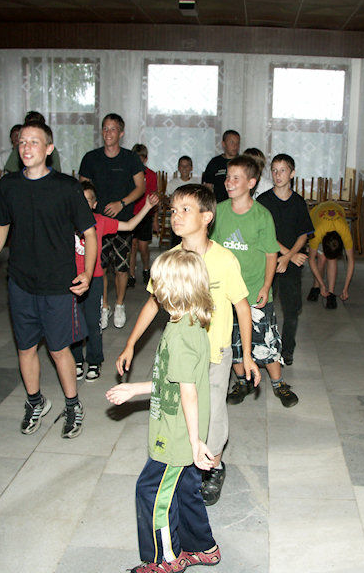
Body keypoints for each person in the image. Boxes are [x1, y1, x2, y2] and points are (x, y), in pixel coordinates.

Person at [117, 183, 258, 507]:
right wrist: (130, 343)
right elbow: (153, 303)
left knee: (213, 413)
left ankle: (214, 465)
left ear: (207, 217)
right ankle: (186, 454)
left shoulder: (224, 259)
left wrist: (247, 355)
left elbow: (242, 307)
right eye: (173, 210)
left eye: (185, 210)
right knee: (179, 408)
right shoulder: (169, 260)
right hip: (181, 351)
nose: (175, 216)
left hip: (215, 352)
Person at [0, 121, 96, 439]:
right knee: (26, 348)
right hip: (20, 282)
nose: (26, 147)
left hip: (58, 284)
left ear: (48, 149)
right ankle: (35, 402)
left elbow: (89, 232)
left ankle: (72, 405)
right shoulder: (9, 185)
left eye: (34, 142)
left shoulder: (66, 187)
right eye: (22, 142)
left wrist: (87, 273)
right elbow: (1, 225)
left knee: (59, 350)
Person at [107, 250, 221, 573]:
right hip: (181, 428)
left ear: (171, 290)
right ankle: (203, 547)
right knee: (184, 489)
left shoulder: (181, 335)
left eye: (157, 282)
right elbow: (175, 381)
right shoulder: (188, 324)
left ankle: (165, 560)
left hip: (177, 435)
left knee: (152, 492)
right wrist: (135, 389)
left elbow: (188, 392)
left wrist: (194, 441)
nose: (153, 287)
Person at [211, 155, 299, 409]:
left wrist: (266, 286)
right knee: (232, 341)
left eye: (235, 178)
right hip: (226, 293)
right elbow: (211, 248)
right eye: (228, 177)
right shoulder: (219, 211)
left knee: (265, 342)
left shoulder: (262, 216)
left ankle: (279, 383)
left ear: (251, 183)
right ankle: (242, 382)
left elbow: (271, 254)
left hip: (253, 291)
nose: (229, 182)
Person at [71, 181, 158, 383]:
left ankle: (94, 360)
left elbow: (129, 225)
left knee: (93, 322)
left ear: (94, 204)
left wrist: (147, 206)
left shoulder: (100, 221)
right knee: (74, 322)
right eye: (80, 199)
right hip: (72, 280)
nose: (83, 203)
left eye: (88, 200)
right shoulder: (67, 221)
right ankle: (76, 360)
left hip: (94, 279)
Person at [78, 114, 145, 329]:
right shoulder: (90, 158)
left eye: (113, 129)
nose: (108, 133)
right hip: (96, 223)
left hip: (122, 221)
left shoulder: (130, 158)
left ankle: (120, 304)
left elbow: (141, 187)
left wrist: (121, 203)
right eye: (105, 128)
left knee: (122, 267)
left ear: (121, 133)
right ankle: (104, 305)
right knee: (100, 266)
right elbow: (83, 190)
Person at [256, 153, 314, 366]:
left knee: (292, 309)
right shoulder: (263, 201)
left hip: (291, 262)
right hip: (267, 260)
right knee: (262, 305)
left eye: (282, 170)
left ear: (292, 173)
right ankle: (261, 347)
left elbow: (304, 234)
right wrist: (287, 255)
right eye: (274, 170)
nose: (278, 175)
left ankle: (287, 349)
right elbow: (264, 235)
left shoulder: (298, 202)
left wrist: (288, 257)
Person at [306, 201, 356, 309]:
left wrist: (345, 288)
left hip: (337, 212)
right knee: (321, 258)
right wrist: (322, 284)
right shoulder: (316, 233)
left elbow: (351, 261)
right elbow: (311, 260)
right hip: (315, 216)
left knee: (331, 259)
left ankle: (331, 293)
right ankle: (316, 287)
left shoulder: (345, 232)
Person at [127, 144, 158, 288]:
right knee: (132, 245)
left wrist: (155, 219)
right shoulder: (128, 174)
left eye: (141, 159)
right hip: (132, 214)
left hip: (146, 214)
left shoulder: (151, 175)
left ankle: (146, 268)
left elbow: (154, 197)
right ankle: (131, 274)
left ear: (145, 159)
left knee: (143, 246)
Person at [202, 130, 240, 203]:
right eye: (232, 142)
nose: (235, 146)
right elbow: (208, 187)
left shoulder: (243, 163)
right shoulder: (215, 162)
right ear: (223, 144)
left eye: (237, 143)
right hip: (219, 203)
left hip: (238, 203)